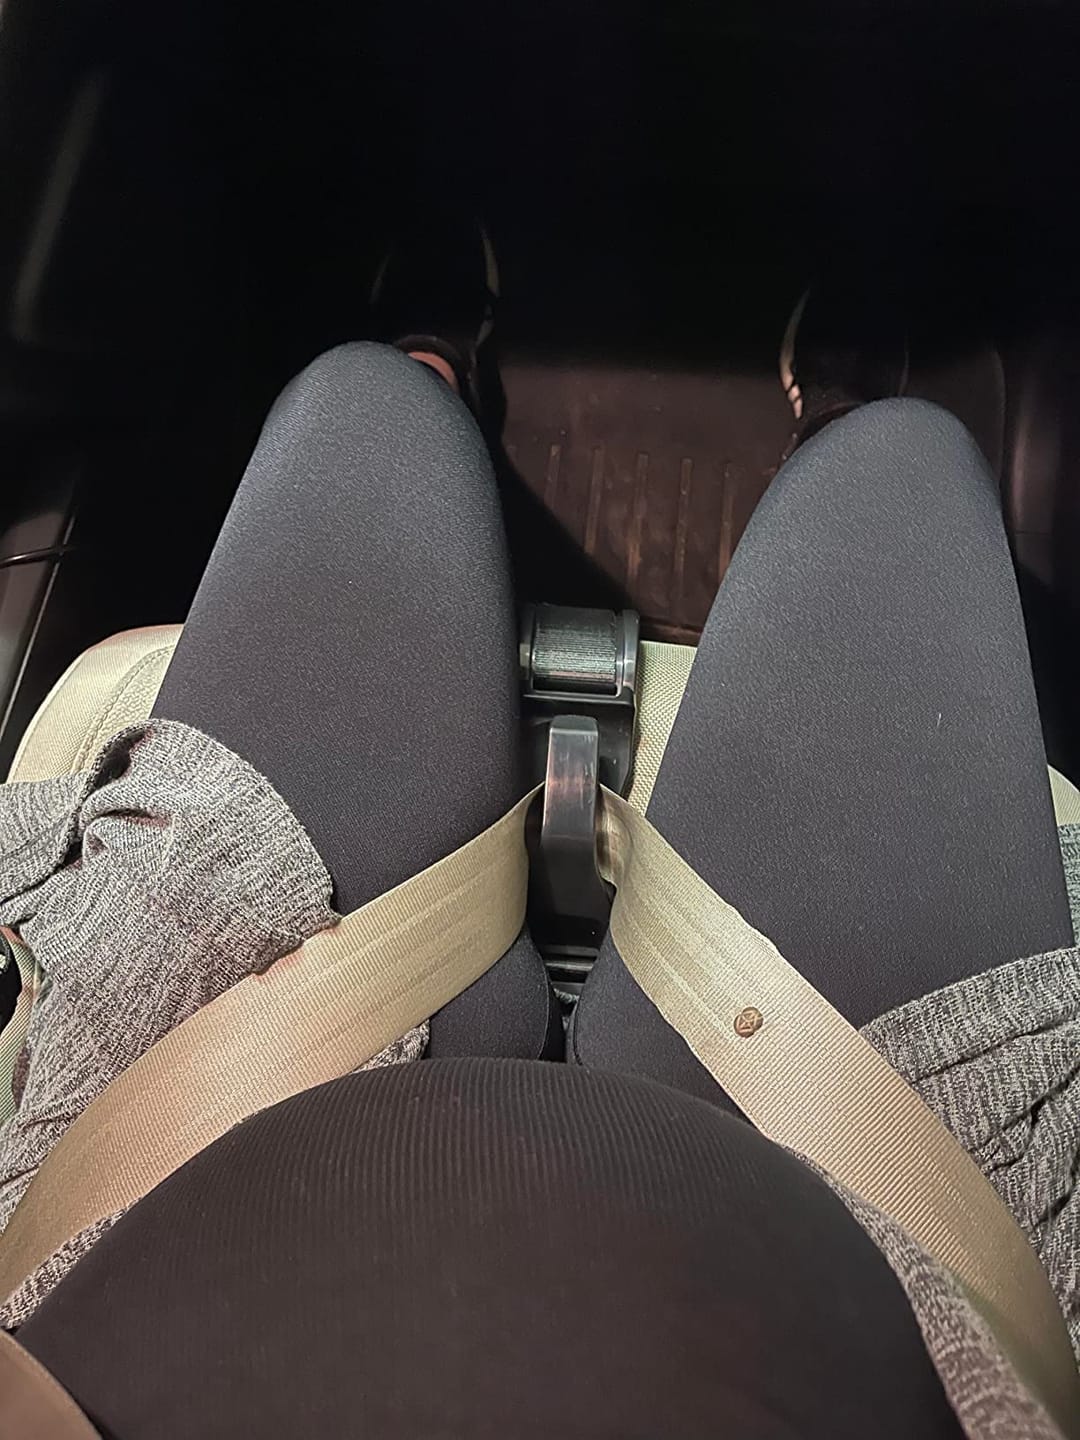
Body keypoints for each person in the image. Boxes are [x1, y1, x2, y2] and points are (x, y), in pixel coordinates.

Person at [0, 238, 1077, 1437]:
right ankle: (828, 419)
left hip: (143, 1148)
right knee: (897, 476)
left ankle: (436, 364)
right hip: (926, 1229)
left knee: (366, 415)